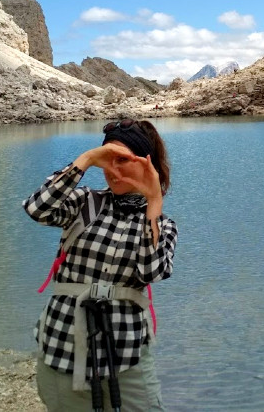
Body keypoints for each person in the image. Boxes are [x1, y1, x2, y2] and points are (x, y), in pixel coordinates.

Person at [23, 118, 177, 411]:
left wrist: (153, 201)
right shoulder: (84, 202)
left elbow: (150, 271)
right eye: (108, 159)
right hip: (63, 342)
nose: (113, 170)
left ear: (148, 165)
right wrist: (87, 159)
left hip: (126, 351)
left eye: (123, 160)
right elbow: (37, 208)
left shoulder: (163, 225)